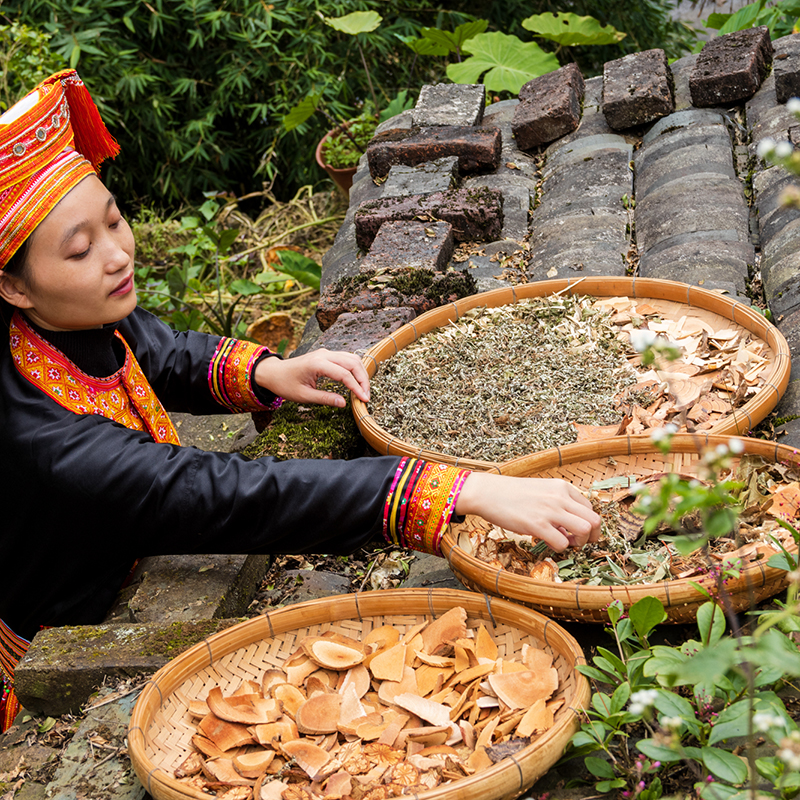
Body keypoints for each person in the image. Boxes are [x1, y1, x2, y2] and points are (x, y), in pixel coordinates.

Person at [0, 70, 601, 732]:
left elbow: (157, 350)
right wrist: (455, 491)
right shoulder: (47, 446)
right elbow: (222, 492)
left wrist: (268, 373)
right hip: (69, 618)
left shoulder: (74, 314)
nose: (117, 256)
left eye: (114, 221)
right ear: (14, 289)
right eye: (82, 250)